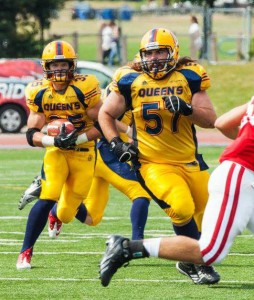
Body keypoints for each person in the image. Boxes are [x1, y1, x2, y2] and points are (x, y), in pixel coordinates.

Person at [98, 28, 220, 285]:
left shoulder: (189, 76)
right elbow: (105, 114)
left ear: (173, 52)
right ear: (142, 55)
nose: (154, 58)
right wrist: (116, 143)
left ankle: (187, 260)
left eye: (160, 52)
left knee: (210, 215)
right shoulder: (129, 79)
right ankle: (200, 263)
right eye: (149, 53)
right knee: (181, 207)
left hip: (190, 161)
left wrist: (188, 109)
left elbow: (211, 119)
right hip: (153, 163)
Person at [99, 97, 254, 287]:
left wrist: (247, 141)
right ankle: (127, 248)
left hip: (239, 173)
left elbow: (223, 123)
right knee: (210, 252)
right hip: (242, 177)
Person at [18, 55, 151, 241]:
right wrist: (130, 132)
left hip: (109, 152)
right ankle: (138, 243)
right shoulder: (125, 84)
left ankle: (57, 209)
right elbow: (106, 117)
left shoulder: (150, 88)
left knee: (91, 218)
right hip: (105, 151)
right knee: (141, 192)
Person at [16, 40, 102, 270]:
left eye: (63, 64)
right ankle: (25, 251)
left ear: (72, 65)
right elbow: (31, 134)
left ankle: (57, 215)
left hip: (83, 151)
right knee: (49, 194)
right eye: (54, 65)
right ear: (46, 67)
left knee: (65, 211)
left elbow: (104, 124)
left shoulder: (85, 87)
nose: (59, 70)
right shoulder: (39, 91)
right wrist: (54, 140)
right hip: (56, 151)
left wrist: (78, 138)